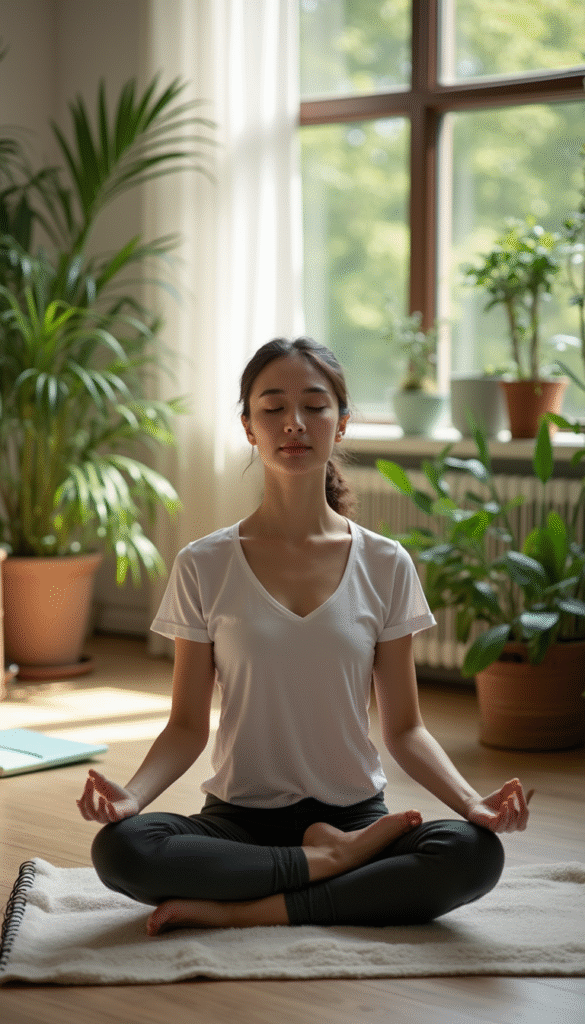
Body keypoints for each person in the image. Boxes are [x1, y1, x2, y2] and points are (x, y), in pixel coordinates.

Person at [79, 337, 532, 937]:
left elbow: (405, 728)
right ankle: (328, 870)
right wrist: (132, 798)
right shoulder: (204, 564)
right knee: (124, 848)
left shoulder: (386, 563)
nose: (294, 423)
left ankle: (256, 903)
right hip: (239, 821)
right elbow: (188, 723)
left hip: (356, 820)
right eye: (272, 408)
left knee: (474, 852)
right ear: (248, 427)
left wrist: (471, 804)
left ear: (341, 425)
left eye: (315, 406)